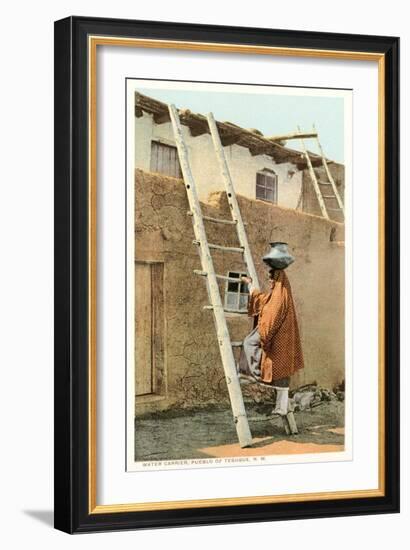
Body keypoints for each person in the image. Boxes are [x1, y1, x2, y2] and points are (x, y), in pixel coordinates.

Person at [238, 268, 304, 416]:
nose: (270, 281)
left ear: (278, 279)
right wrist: (250, 285)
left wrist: (264, 337)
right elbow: (263, 300)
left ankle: (256, 373)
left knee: (250, 343)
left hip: (277, 337)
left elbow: (271, 315)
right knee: (282, 372)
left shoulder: (280, 297)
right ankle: (283, 407)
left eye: (272, 279)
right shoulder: (280, 294)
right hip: (283, 340)